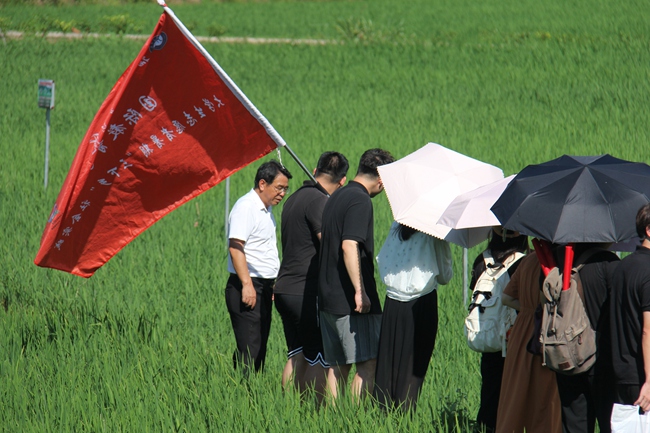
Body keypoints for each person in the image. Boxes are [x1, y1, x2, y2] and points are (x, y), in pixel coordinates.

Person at [318, 148, 395, 401]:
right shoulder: (360, 200)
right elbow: (349, 245)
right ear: (381, 180)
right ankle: (357, 422)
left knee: (337, 366)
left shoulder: (336, 196)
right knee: (368, 363)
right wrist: (360, 292)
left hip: (328, 297)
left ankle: (332, 423)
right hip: (351, 302)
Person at [274, 151, 349, 400]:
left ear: (315, 171)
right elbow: (327, 246)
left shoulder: (294, 198)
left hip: (284, 288)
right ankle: (313, 410)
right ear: (343, 181)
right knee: (318, 355)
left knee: (296, 352)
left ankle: (288, 407)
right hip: (305, 291)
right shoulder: (320, 201)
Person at [373, 222, 453, 412]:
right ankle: (404, 419)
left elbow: (383, 259)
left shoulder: (397, 224)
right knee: (413, 367)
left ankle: (382, 416)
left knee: (388, 363)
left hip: (392, 302)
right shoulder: (435, 230)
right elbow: (445, 276)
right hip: (421, 303)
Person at [224, 159, 292, 374]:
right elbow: (235, 247)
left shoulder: (266, 209)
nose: (282, 193)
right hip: (247, 284)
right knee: (250, 349)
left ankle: (250, 395)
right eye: (279, 188)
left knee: (259, 346)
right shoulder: (246, 207)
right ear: (262, 184)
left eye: (285, 189)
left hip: (263, 286)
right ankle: (242, 397)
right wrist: (247, 284)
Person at [551, 243, 619, 433]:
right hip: (602, 357)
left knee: (574, 424)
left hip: (567, 354)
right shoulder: (610, 263)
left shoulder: (558, 261)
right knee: (609, 422)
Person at [496, 250, 562, 433]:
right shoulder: (556, 262)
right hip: (545, 334)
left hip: (521, 333)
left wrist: (527, 309)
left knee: (515, 394)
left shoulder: (527, 261)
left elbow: (507, 298)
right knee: (544, 402)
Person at [471, 227, 528, 432]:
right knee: (513, 393)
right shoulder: (524, 262)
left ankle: (486, 427)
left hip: (488, 337)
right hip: (515, 338)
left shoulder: (481, 261)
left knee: (490, 390)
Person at [609, 203, 650, 428]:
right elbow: (648, 330)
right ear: (648, 230)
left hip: (622, 371)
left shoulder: (623, 267)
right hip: (643, 377)